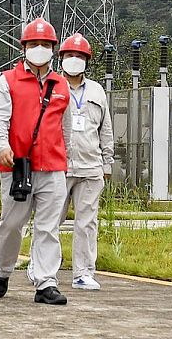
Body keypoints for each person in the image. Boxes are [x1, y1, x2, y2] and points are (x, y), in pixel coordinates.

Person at [0, 18, 71, 305]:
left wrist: (65, 158)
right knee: (12, 225)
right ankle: (3, 270)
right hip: (17, 167)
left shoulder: (60, 85)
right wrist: (2, 146)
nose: (39, 49)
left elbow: (66, 127)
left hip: (53, 167)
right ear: (24, 48)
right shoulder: (7, 81)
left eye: (45, 44)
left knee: (48, 227)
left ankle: (46, 282)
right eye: (34, 44)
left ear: (53, 48)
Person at [58, 33, 113, 291]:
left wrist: (107, 163)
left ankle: (83, 273)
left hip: (91, 167)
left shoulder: (97, 91)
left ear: (87, 61)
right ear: (61, 59)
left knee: (87, 222)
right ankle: (41, 266)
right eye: (70, 55)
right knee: (50, 221)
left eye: (79, 56)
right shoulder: (54, 86)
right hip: (59, 166)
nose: (74, 60)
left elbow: (106, 130)